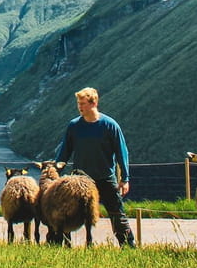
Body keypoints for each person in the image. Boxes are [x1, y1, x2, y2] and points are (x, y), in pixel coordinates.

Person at [55, 86, 136, 248]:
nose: (80, 107)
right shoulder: (74, 126)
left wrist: (125, 178)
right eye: (78, 103)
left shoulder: (109, 125)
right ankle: (65, 245)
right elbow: (64, 152)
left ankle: (128, 246)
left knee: (116, 212)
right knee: (68, 211)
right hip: (80, 180)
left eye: (83, 103)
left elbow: (122, 152)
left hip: (104, 177)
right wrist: (54, 171)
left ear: (93, 103)